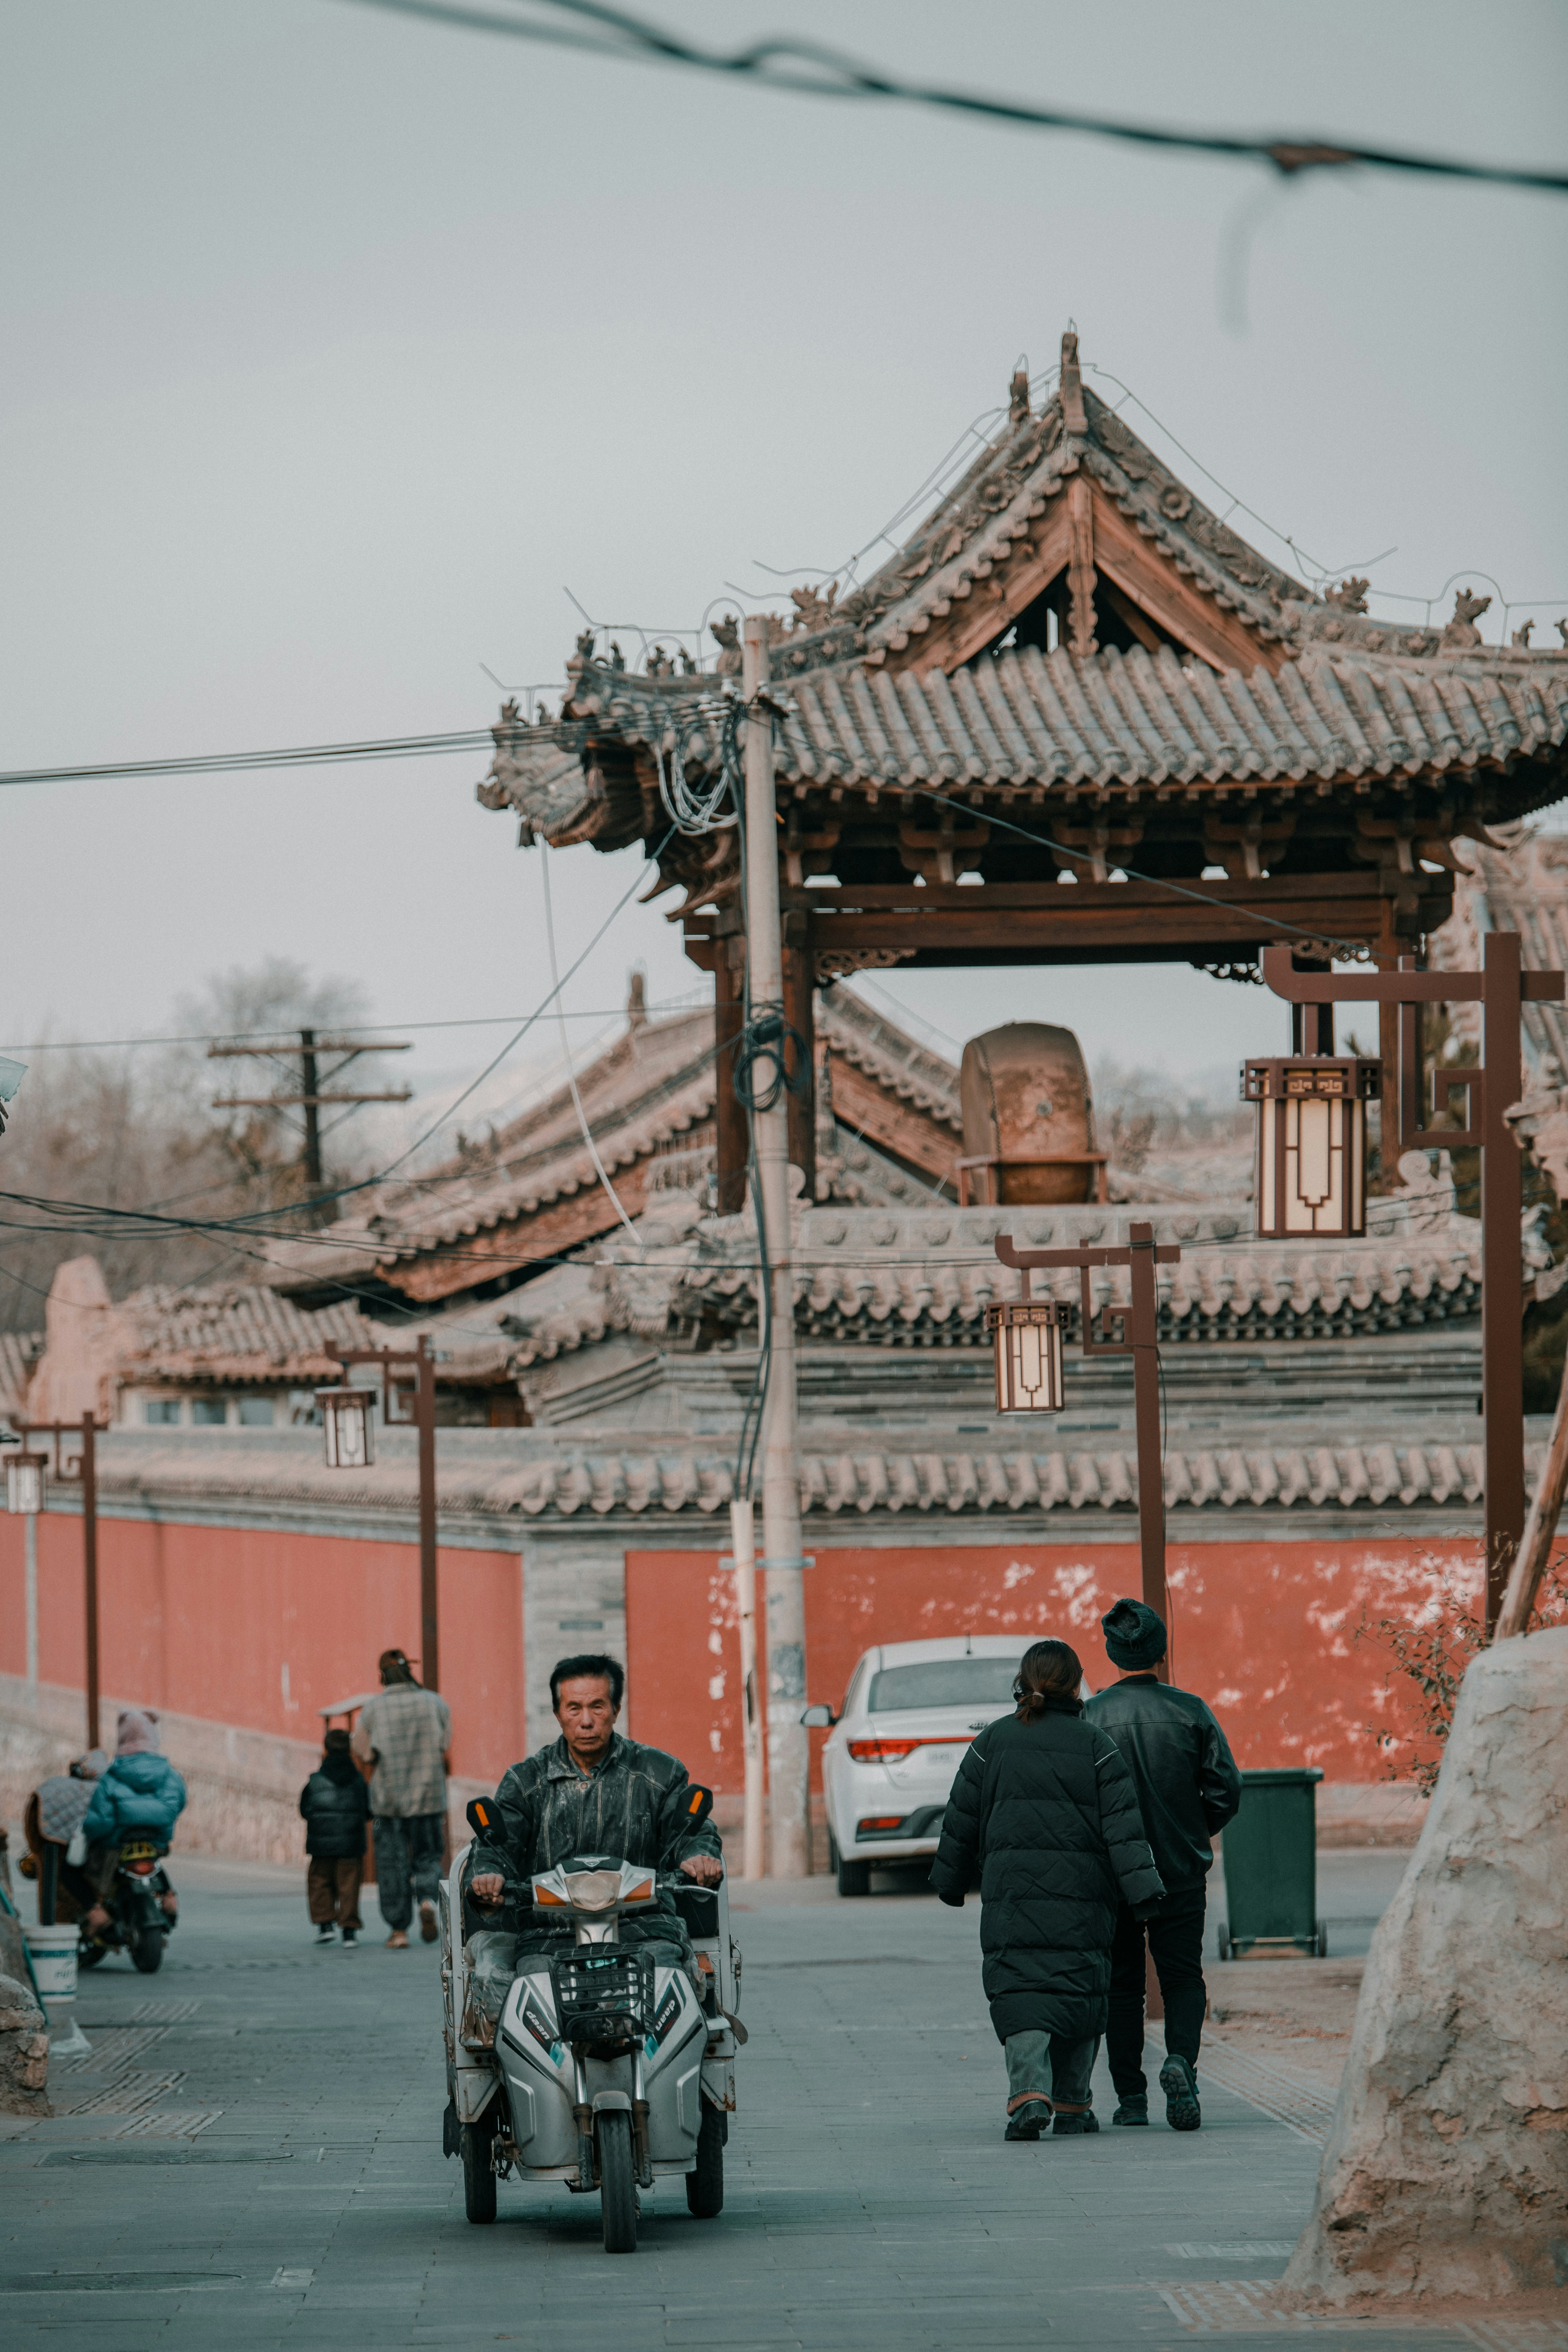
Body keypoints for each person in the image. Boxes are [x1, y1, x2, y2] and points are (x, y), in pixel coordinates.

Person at [930, 1638, 1165, 2142]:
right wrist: (1143, 1894)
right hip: (1083, 1902)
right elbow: (1124, 1830)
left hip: (1011, 1900)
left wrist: (949, 1881)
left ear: (1023, 1681)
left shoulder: (990, 1743)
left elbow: (960, 1818)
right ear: (1076, 1684)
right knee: (1079, 1994)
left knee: (1022, 1991)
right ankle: (1073, 2102)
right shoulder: (1096, 1748)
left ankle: (1028, 2093)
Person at [465, 1653, 722, 2015]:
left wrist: (698, 1856)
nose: (586, 1721)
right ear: (558, 1714)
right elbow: (496, 1845)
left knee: (669, 1994)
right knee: (531, 2008)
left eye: (598, 1707)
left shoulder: (660, 1772)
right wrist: (487, 1875)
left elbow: (691, 1832)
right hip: (550, 1934)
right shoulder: (525, 1781)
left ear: (616, 1709)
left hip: (645, 1928)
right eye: (574, 1708)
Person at [1084, 1597, 1242, 2133]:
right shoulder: (1191, 1710)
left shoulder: (1092, 1715)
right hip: (1179, 1868)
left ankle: (1130, 2098)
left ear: (1111, 1652)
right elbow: (1225, 1788)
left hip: (1115, 1875)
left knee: (1122, 1985)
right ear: (1160, 1649)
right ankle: (1181, 2064)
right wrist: (1192, 1829)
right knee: (1181, 1976)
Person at [351, 1648, 452, 1949]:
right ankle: (426, 1902)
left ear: (382, 1675)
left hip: (389, 1800)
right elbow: (444, 1742)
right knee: (429, 1857)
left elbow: (363, 1749)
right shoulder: (435, 1703)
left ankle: (398, 1931)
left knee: (392, 1865)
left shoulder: (374, 1709)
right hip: (429, 1798)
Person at [76, 1709, 186, 1938]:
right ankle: (169, 1897)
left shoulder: (112, 1777)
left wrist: (90, 1833)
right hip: (156, 1841)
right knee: (153, 1859)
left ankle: (97, 1913)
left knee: (80, 1871)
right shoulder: (171, 1775)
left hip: (117, 1843)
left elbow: (101, 1820)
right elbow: (180, 1803)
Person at [300, 1727, 372, 1946]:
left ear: (327, 1749)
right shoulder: (359, 1781)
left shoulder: (315, 1781)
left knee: (319, 1882)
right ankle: (349, 1932)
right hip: (351, 1844)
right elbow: (369, 1811)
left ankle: (325, 1926)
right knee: (349, 1885)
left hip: (321, 1845)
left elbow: (305, 1810)